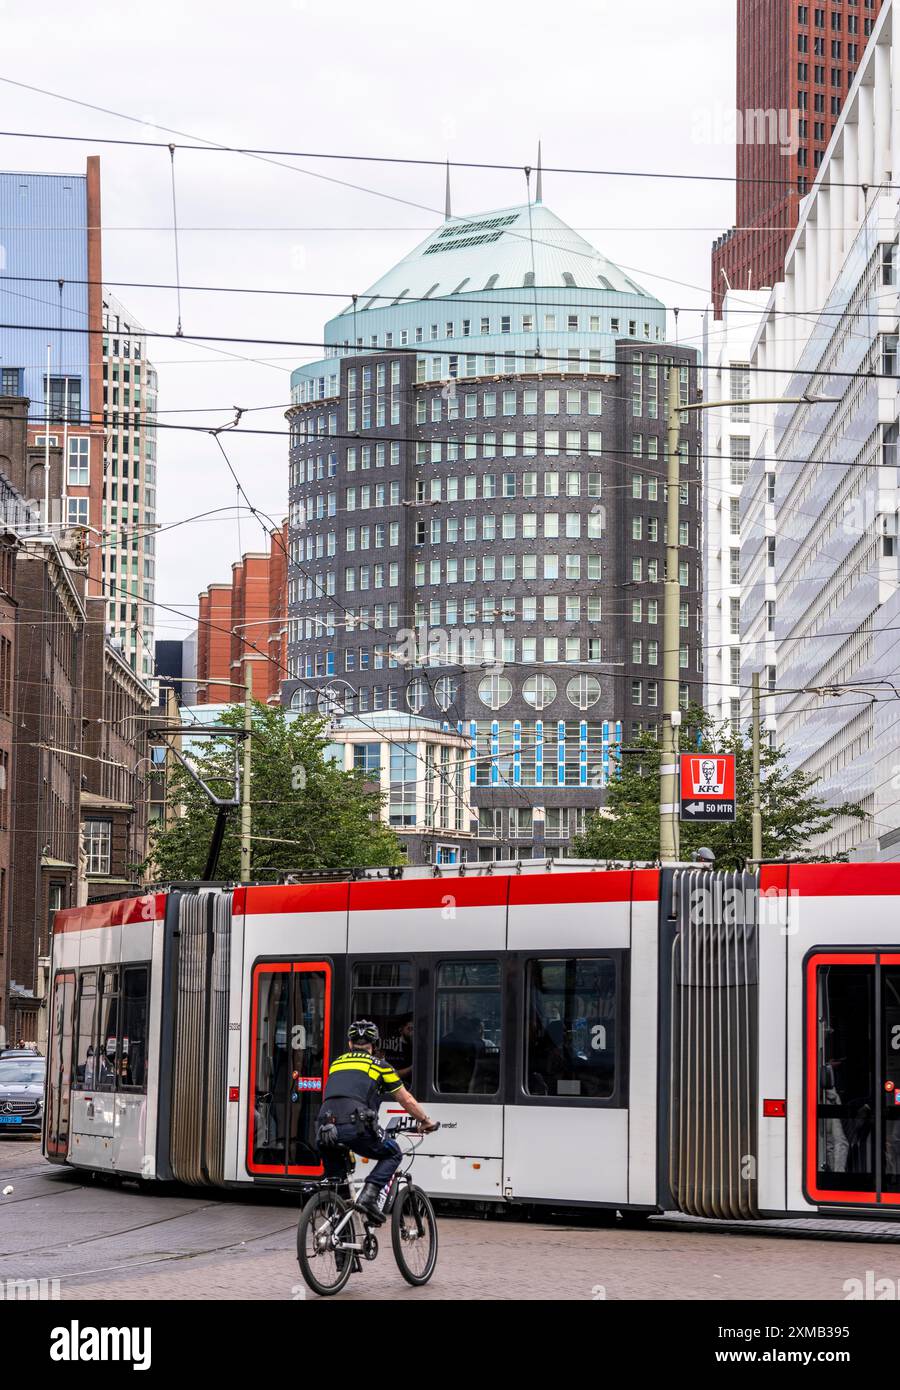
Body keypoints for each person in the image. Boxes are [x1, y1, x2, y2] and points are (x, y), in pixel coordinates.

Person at [316, 1020, 437, 1224]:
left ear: (349, 1043)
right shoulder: (379, 1065)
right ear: (374, 1045)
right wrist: (425, 1121)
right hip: (355, 1127)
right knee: (393, 1152)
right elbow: (405, 1099)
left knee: (340, 1191)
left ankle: (341, 1249)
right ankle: (370, 1196)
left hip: (324, 1129)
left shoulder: (337, 1063)